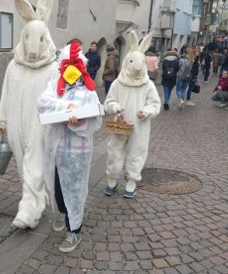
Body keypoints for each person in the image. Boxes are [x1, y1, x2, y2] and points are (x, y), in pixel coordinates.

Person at [0, 0, 58, 229]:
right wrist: (2, 119)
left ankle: (28, 209)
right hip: (17, 126)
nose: (33, 46)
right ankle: (35, 199)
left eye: (39, 39)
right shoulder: (13, 67)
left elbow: (58, 98)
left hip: (40, 126)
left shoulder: (53, 68)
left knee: (35, 162)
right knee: (24, 165)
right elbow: (5, 95)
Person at [38, 40, 102, 253]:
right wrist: (66, 106)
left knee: (74, 191)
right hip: (55, 149)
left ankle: (73, 231)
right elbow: (42, 102)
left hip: (76, 153)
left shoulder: (89, 91)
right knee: (56, 188)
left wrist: (80, 123)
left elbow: (95, 120)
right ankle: (63, 213)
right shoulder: (55, 85)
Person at [104, 31, 161, 199]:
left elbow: (154, 103)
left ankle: (132, 181)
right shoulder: (117, 83)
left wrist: (147, 111)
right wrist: (114, 107)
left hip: (139, 125)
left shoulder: (147, 85)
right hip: (119, 124)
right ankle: (112, 179)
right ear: (127, 62)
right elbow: (108, 102)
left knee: (137, 151)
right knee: (115, 151)